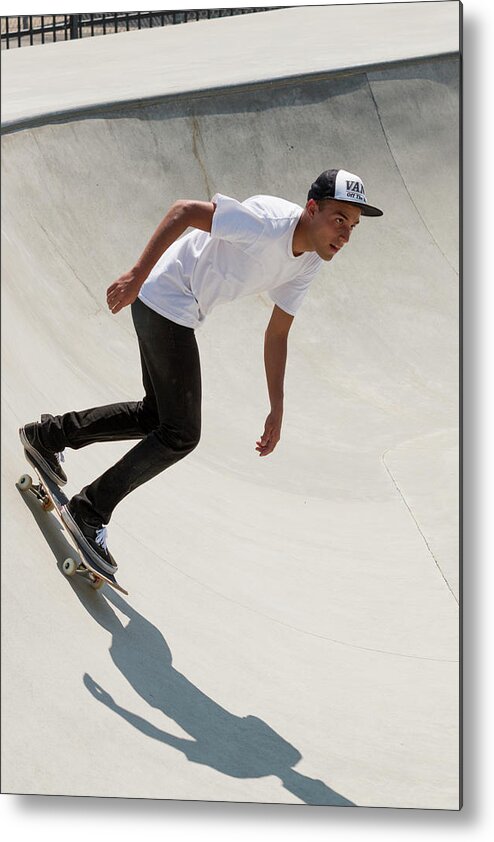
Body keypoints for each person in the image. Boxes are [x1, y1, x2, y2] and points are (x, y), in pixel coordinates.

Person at [19, 169, 382, 576]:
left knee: (156, 417)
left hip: (174, 309)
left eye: (352, 226)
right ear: (312, 209)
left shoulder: (311, 260)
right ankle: (89, 510)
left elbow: (278, 332)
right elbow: (184, 211)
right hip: (163, 301)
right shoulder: (267, 225)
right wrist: (137, 277)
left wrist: (276, 406)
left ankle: (48, 435)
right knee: (182, 433)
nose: (345, 235)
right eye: (338, 219)